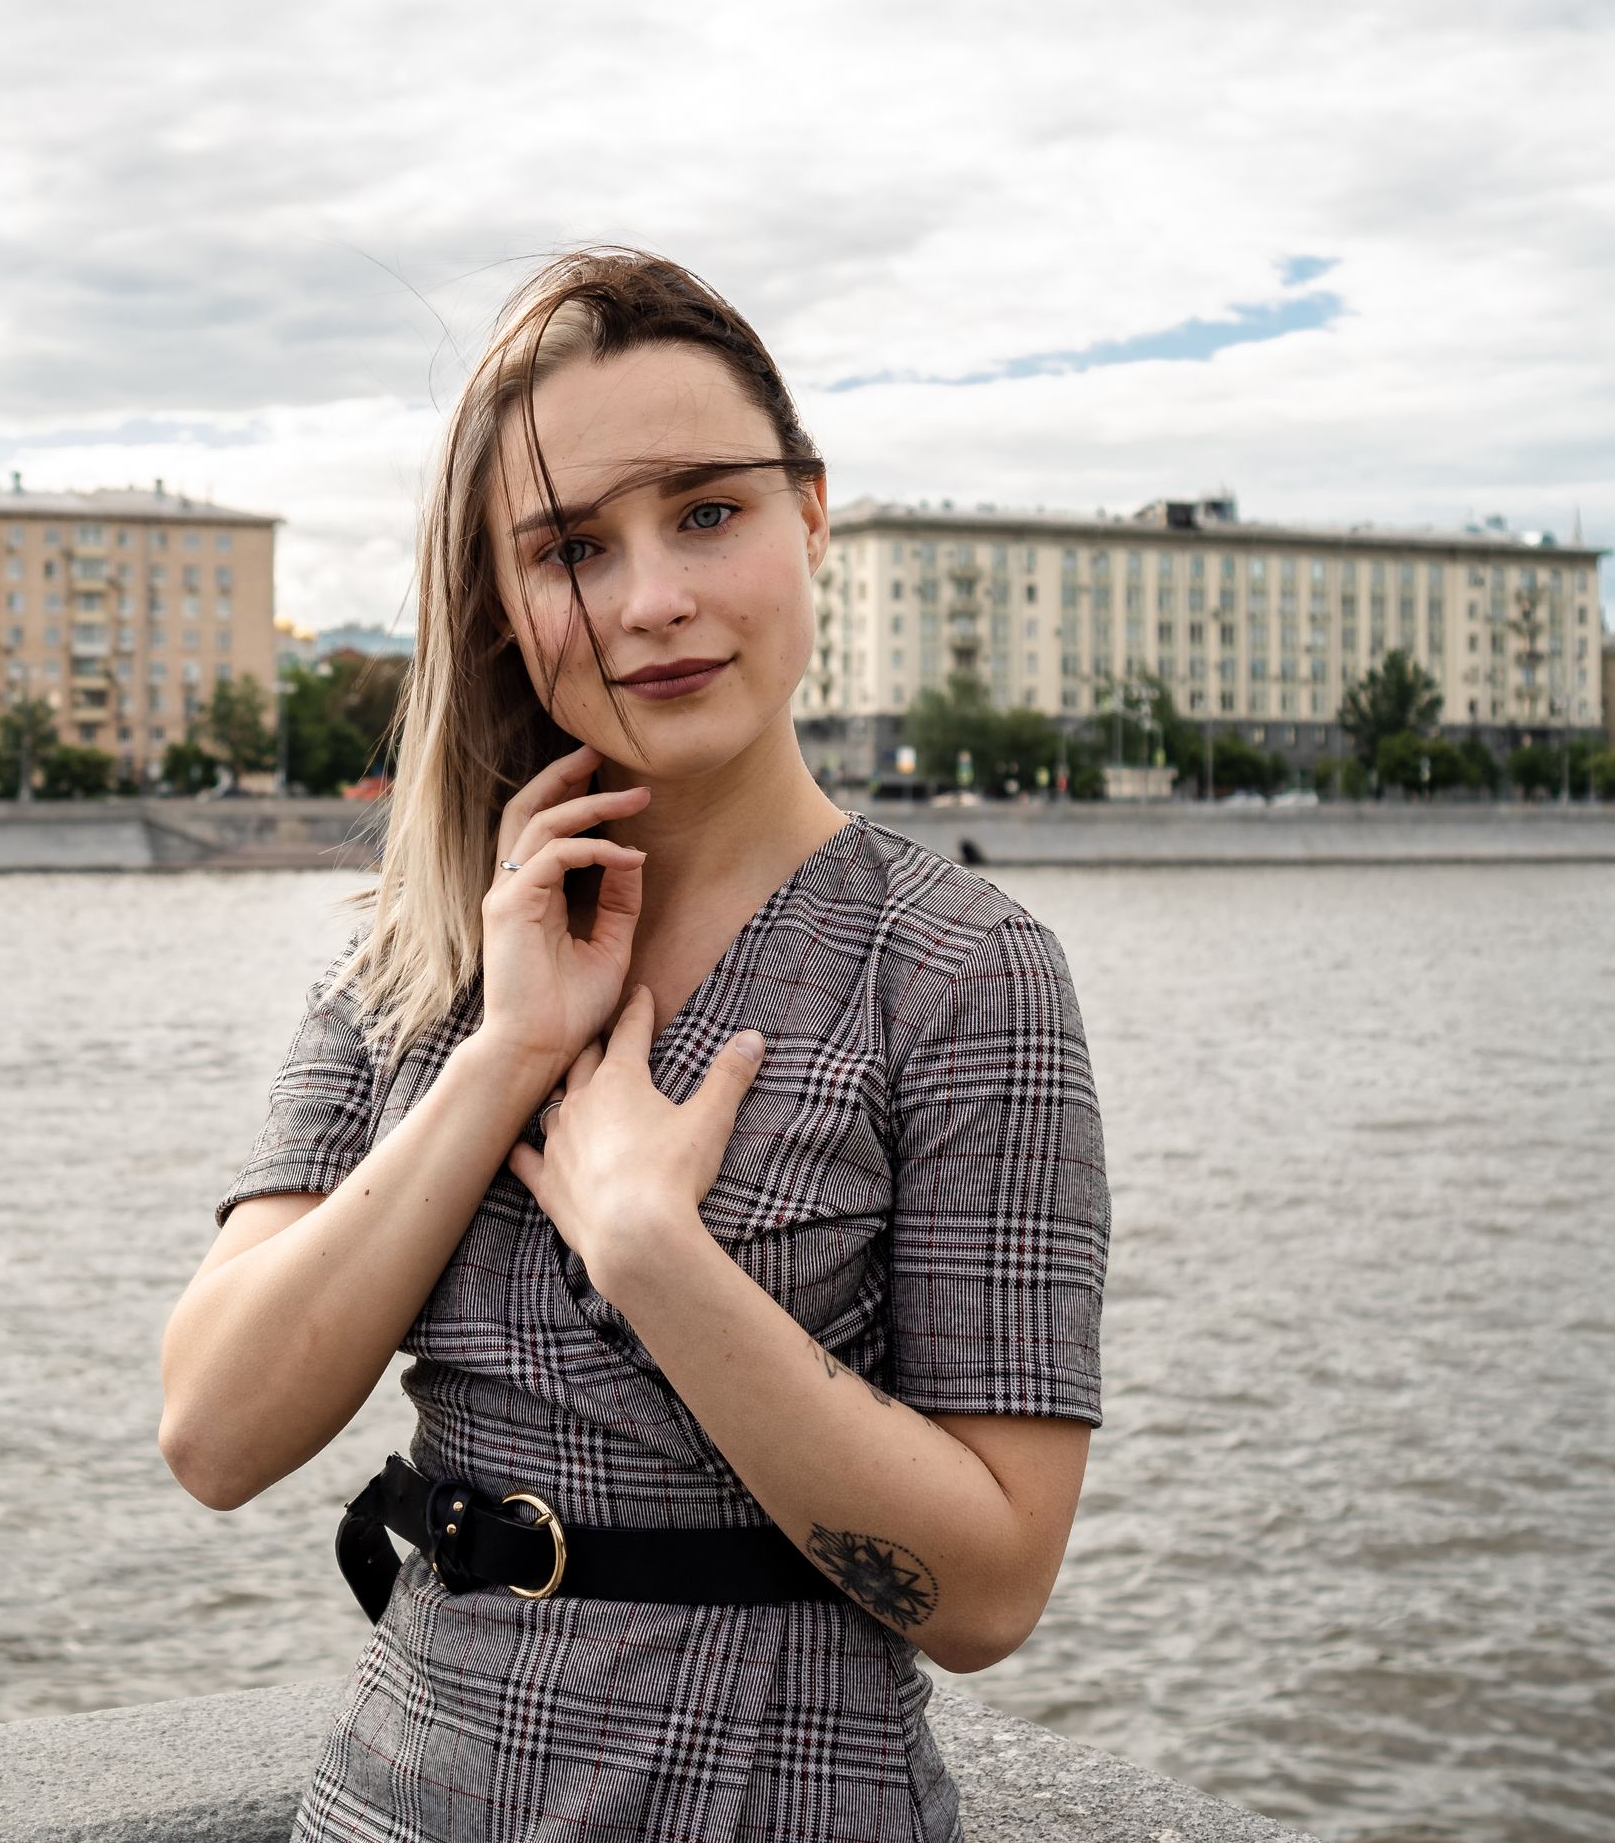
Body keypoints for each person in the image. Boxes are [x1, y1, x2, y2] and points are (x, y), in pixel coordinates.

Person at [158, 246, 1111, 1842]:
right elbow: (214, 1433)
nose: (652, 599)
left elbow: (990, 1589)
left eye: (709, 513)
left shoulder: (962, 972)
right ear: (502, 604)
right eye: (572, 549)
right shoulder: (416, 955)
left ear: (812, 516)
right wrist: (503, 1056)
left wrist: (654, 1252)